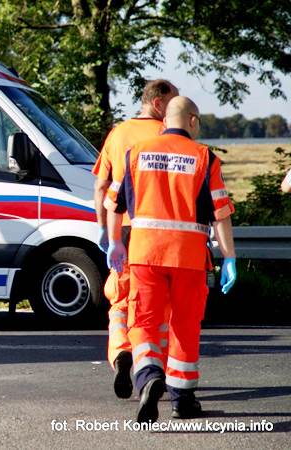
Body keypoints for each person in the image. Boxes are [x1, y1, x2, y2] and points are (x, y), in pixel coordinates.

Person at [105, 96, 237, 422]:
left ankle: (149, 376)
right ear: (192, 121)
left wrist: (114, 243)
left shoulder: (135, 153)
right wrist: (230, 257)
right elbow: (220, 215)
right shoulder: (205, 157)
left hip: (144, 254)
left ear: (165, 121)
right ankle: (182, 400)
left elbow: (112, 204)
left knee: (145, 321)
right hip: (189, 256)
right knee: (185, 324)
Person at [92, 79, 178, 399]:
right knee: (153, 304)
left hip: (122, 229)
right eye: (174, 103)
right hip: (156, 231)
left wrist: (104, 230)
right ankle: (151, 366)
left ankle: (121, 355)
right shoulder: (165, 135)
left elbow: (101, 188)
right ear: (158, 104)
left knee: (119, 300)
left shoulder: (117, 134)